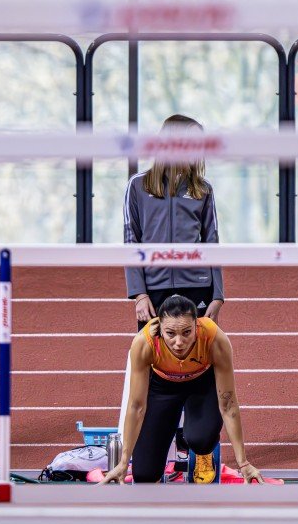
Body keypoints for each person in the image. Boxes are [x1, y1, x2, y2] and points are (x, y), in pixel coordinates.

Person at [102, 294, 263, 485]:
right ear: (160, 328)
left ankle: (202, 452)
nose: (179, 342)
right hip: (163, 386)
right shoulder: (144, 342)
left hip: (201, 383)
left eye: (187, 332)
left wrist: (243, 463)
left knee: (201, 440)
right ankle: (180, 435)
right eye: (170, 334)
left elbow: (228, 405)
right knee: (144, 475)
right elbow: (137, 406)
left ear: (197, 326)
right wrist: (122, 462)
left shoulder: (214, 338)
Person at [123, 114, 224, 329]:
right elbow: (132, 241)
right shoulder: (138, 185)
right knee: (151, 358)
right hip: (154, 288)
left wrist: (217, 295)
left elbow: (211, 241)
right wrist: (139, 294)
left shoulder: (203, 189)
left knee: (200, 358)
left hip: (198, 285)